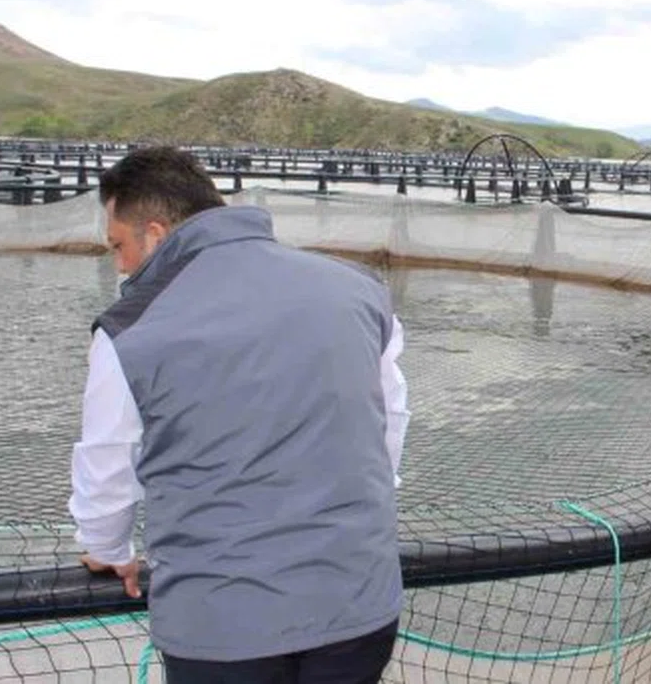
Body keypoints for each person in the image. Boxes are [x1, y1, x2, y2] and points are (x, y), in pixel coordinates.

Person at [67, 146, 410, 684]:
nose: (119, 265)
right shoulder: (361, 290)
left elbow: (107, 465)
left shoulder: (129, 327)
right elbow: (388, 428)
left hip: (221, 628)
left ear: (154, 234)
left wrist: (109, 548)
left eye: (118, 246)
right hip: (359, 609)